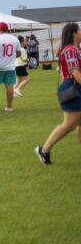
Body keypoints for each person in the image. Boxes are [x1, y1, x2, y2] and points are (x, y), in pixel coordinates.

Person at [35, 23, 81, 165]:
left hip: (75, 86)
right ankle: (44, 149)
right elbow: (74, 72)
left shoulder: (74, 50)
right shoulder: (69, 50)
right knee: (69, 125)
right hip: (72, 88)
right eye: (80, 31)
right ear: (74, 33)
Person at [0, 22, 21, 112]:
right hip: (10, 67)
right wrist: (10, 58)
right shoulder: (15, 39)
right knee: (9, 86)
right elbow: (19, 54)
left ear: (0, 29)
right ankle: (9, 106)